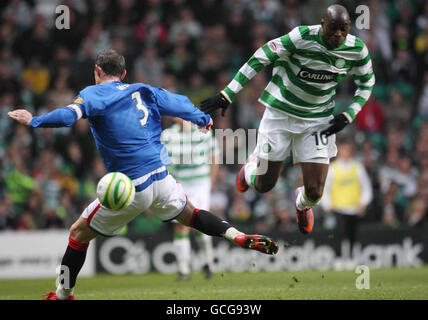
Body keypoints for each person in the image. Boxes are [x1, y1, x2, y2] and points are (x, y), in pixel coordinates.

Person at [8, 49, 279, 300]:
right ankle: (237, 235)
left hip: (131, 184)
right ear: (124, 73)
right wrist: (202, 118)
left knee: (78, 233)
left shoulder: (93, 94)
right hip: (161, 177)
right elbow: (180, 103)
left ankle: (62, 295)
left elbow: (67, 117)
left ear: (98, 71)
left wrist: (34, 120)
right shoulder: (144, 90)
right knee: (191, 214)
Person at [200, 5, 375, 235]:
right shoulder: (302, 36)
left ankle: (301, 205)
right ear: (323, 23)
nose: (338, 35)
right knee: (265, 185)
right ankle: (250, 169)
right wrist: (227, 94)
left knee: (315, 192)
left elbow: (367, 83)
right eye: (333, 28)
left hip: (317, 120)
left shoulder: (356, 49)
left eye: (344, 29)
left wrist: (348, 113)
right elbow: (261, 55)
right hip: (280, 114)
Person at [161, 117, 218, 280]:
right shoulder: (168, 135)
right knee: (180, 225)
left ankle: (208, 263)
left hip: (200, 183)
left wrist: (211, 181)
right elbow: (162, 161)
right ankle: (183, 269)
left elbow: (214, 156)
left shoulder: (204, 131)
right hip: (181, 184)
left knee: (202, 224)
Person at [321, 139, 373, 264]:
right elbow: (325, 188)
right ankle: (340, 258)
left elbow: (366, 187)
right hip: (338, 208)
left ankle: (352, 258)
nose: (345, 153)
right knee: (340, 234)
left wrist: (363, 203)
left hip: (354, 209)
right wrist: (327, 204)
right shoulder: (332, 169)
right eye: (343, 150)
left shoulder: (357, 167)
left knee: (353, 235)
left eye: (347, 150)